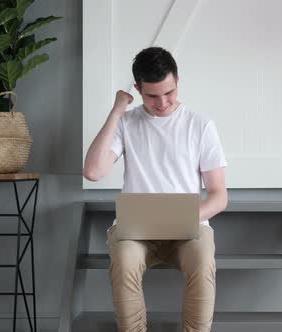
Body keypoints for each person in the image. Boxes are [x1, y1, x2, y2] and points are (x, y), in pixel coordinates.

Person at [83, 46, 228, 332]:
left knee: (202, 259)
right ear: (137, 89)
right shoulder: (126, 123)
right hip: (136, 232)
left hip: (189, 228)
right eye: (152, 96)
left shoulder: (200, 125)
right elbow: (93, 171)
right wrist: (116, 111)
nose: (162, 103)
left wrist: (185, 217)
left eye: (169, 92)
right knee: (124, 261)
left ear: (177, 80)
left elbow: (219, 194)